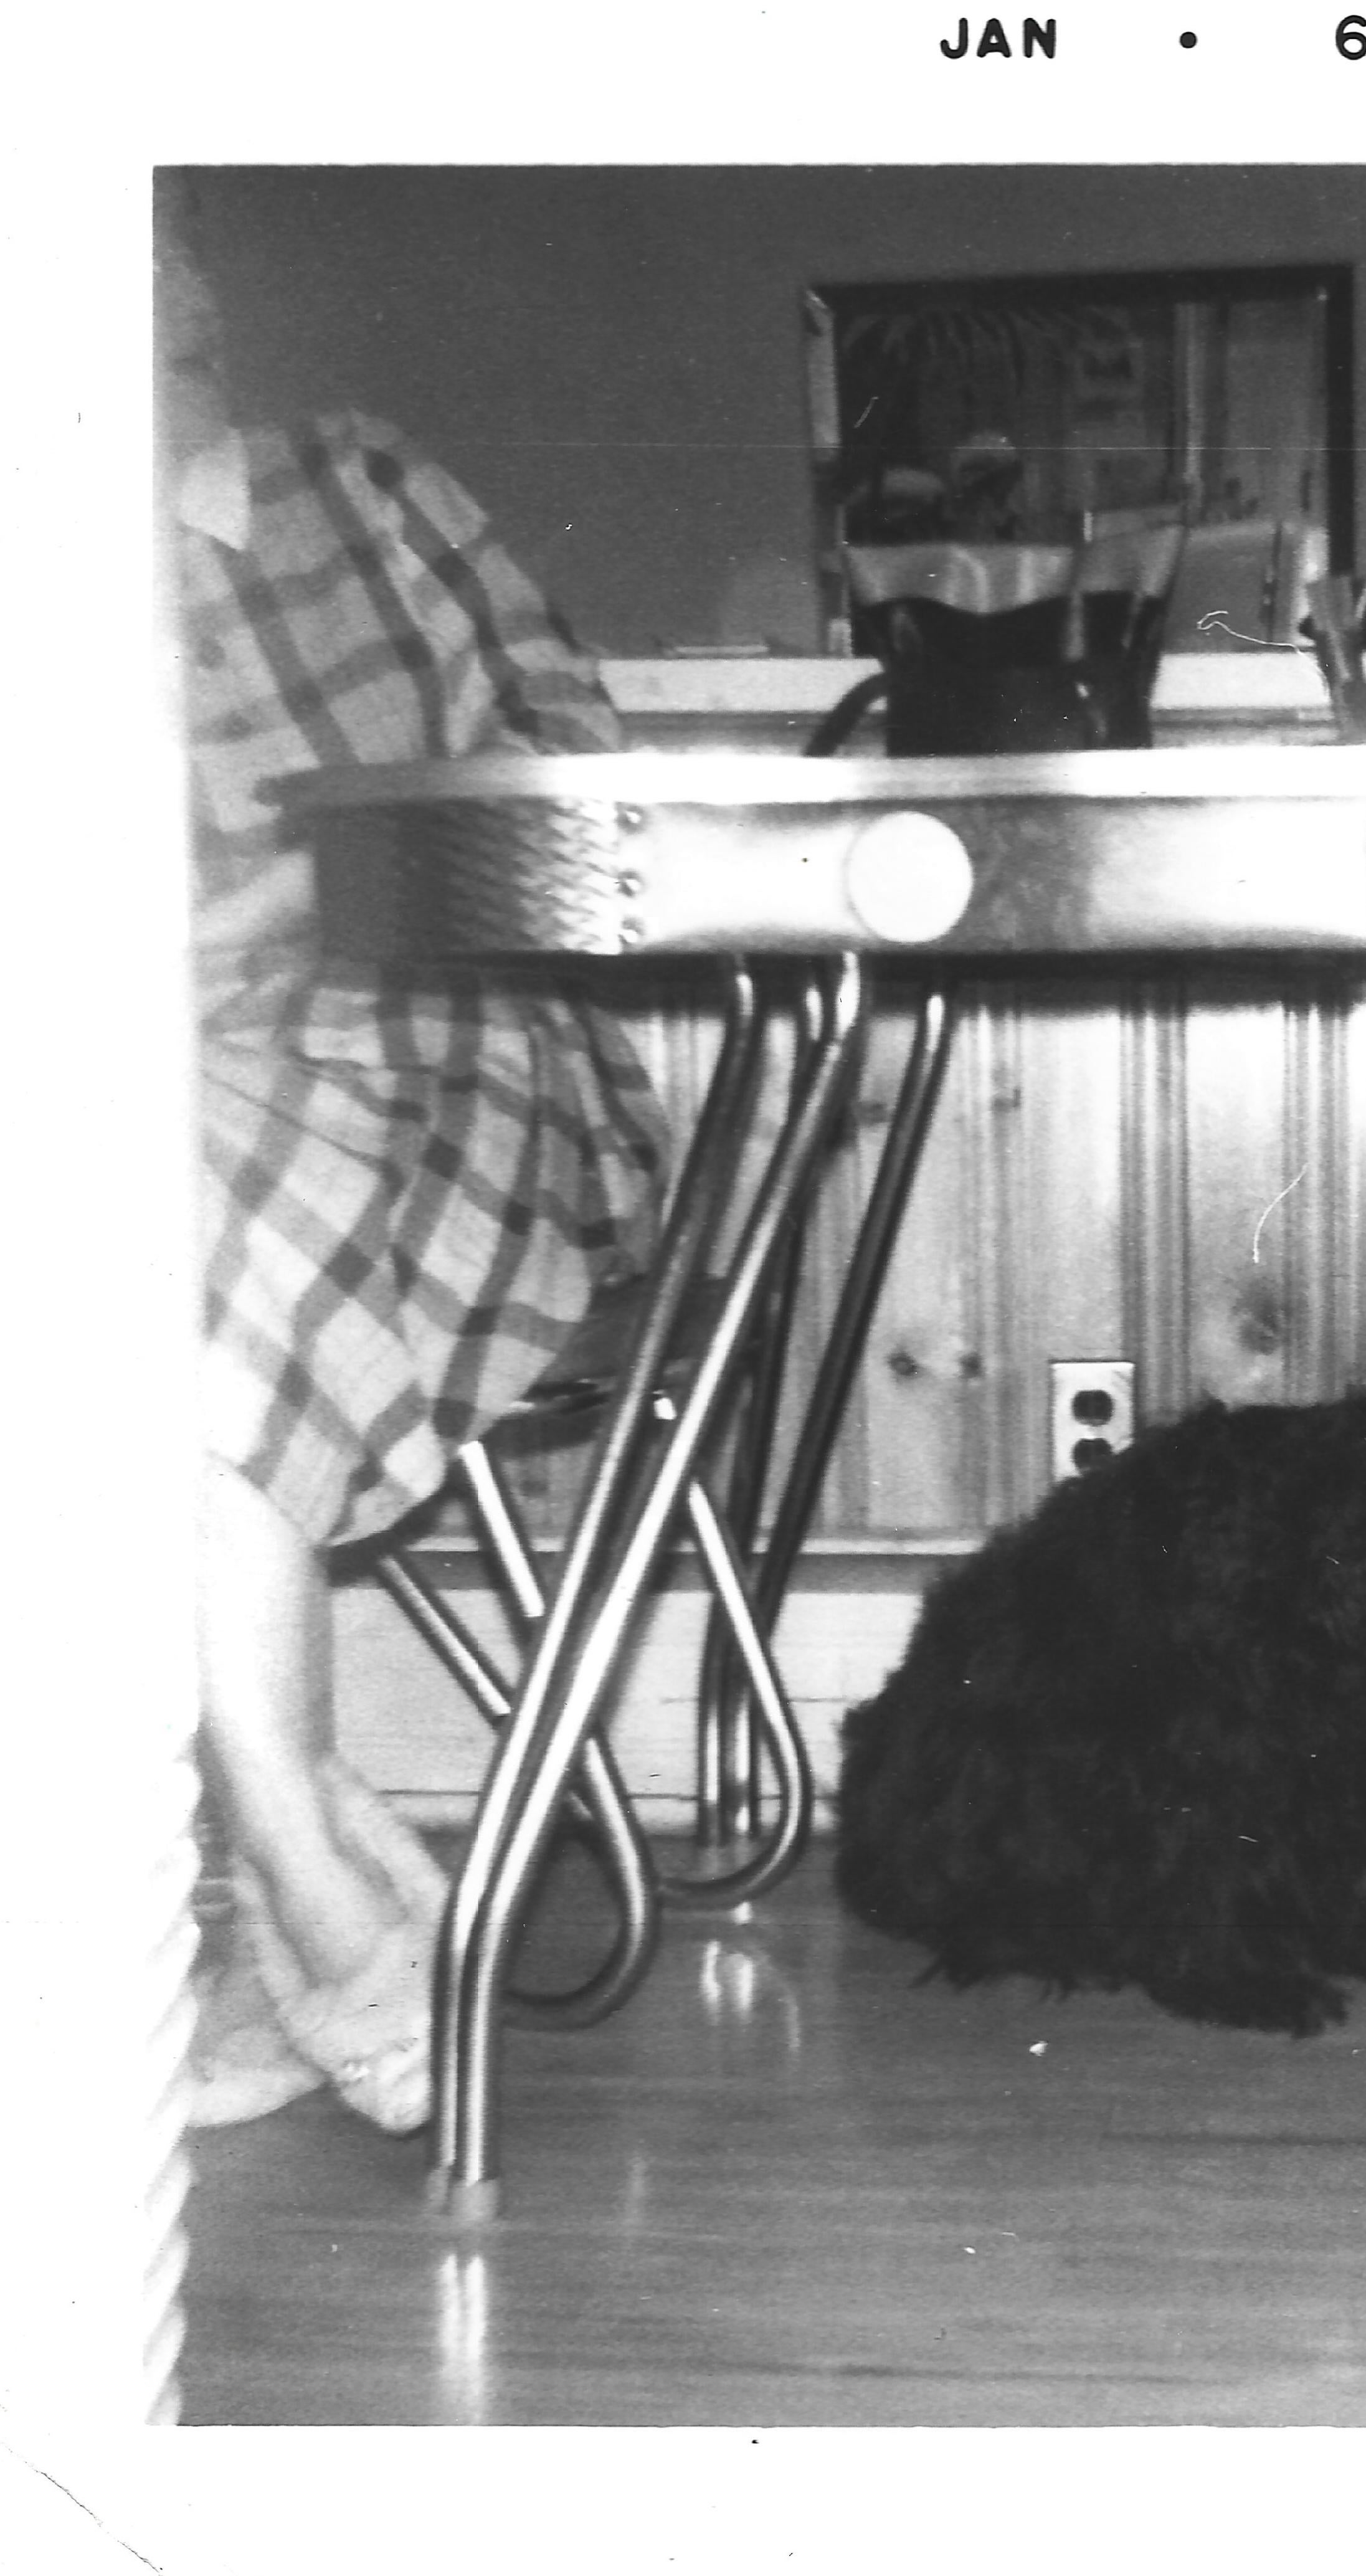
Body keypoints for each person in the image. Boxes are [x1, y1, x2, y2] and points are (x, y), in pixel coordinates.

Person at [163, 218, 665, 2132]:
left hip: (469, 1048)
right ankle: (311, 1870)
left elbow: (570, 777)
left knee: (161, 1252)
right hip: (185, 1081)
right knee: (123, 1247)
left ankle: (298, 1899)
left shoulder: (359, 488)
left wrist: (297, 891)